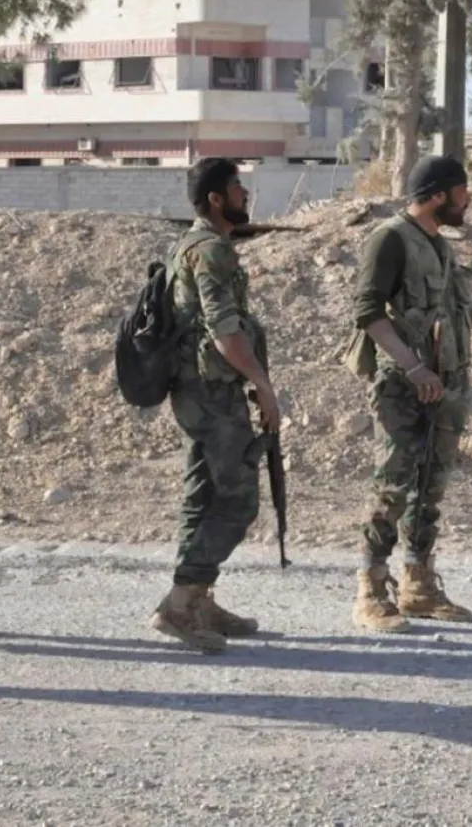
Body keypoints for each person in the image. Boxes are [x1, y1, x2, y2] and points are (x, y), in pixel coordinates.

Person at [342, 154, 472, 633]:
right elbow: (367, 312)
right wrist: (415, 366)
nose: (468, 201)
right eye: (462, 192)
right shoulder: (390, 239)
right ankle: (371, 590)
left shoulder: (439, 244)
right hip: (404, 384)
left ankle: (418, 584)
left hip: (444, 383)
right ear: (438, 195)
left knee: (430, 485)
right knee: (394, 485)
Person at [153, 157, 281, 654]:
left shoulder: (189, 245)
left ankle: (199, 599)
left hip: (198, 390)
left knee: (203, 495)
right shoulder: (210, 251)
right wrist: (263, 387)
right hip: (211, 393)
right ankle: (179, 604)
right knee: (237, 499)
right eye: (236, 187)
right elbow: (224, 328)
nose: (245, 195)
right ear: (215, 199)